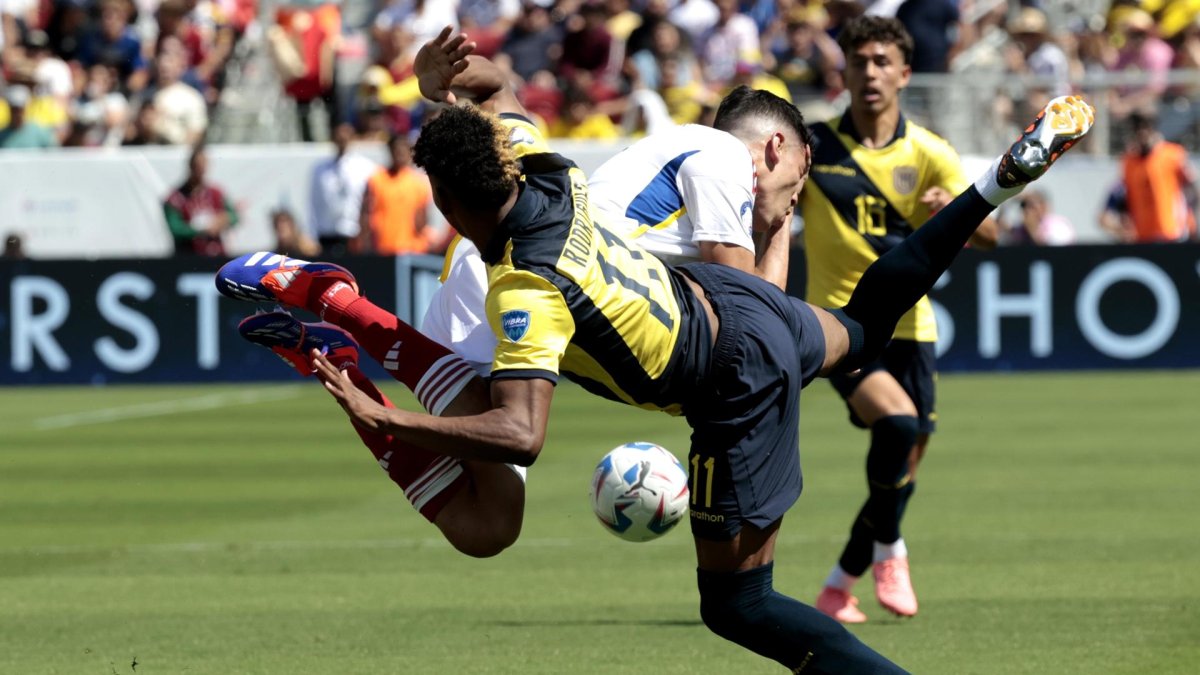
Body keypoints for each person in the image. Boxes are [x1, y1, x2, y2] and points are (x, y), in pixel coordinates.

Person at [215, 27, 1093, 671]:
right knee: (861, 326)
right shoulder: (540, 163)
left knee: (739, 605)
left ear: (446, 209)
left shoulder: (525, 286)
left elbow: (521, 435)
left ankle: (343, 316)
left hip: (727, 383)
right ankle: (994, 181)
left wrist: (385, 415)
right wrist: (444, 78)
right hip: (732, 304)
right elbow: (499, 89)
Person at [800, 16, 998, 624]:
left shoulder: (930, 152)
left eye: (882, 62)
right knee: (898, 425)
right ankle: (893, 551)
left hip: (913, 330)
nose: (870, 74)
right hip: (844, 325)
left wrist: (954, 213)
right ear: (846, 72)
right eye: (859, 62)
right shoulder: (813, 147)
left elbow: (991, 234)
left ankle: (837, 588)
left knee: (900, 473)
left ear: (905, 74)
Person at [1115, 109, 1197, 243]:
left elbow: (1192, 190)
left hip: (1173, 232)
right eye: (1136, 130)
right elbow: (1125, 197)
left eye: (1144, 128)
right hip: (1142, 235)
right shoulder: (1128, 161)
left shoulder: (1173, 155)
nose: (1141, 134)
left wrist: (1193, 223)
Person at [307, 123, 379, 255]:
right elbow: (314, 202)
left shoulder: (366, 167)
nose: (341, 140)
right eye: (338, 136)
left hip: (353, 233)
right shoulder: (320, 169)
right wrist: (312, 233)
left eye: (345, 136)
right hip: (327, 233)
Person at [358, 133, 434, 255]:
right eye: (396, 150)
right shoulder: (376, 180)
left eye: (403, 150)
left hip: (412, 250)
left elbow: (422, 220)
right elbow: (366, 215)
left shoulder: (419, 183)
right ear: (390, 151)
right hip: (383, 250)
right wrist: (365, 244)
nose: (400, 153)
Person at [163, 145, 239, 256]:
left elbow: (234, 216)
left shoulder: (216, 193)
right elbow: (176, 228)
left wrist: (225, 220)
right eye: (198, 166)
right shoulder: (175, 199)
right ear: (190, 166)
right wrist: (202, 230)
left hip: (217, 255)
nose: (201, 171)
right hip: (188, 256)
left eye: (203, 166)